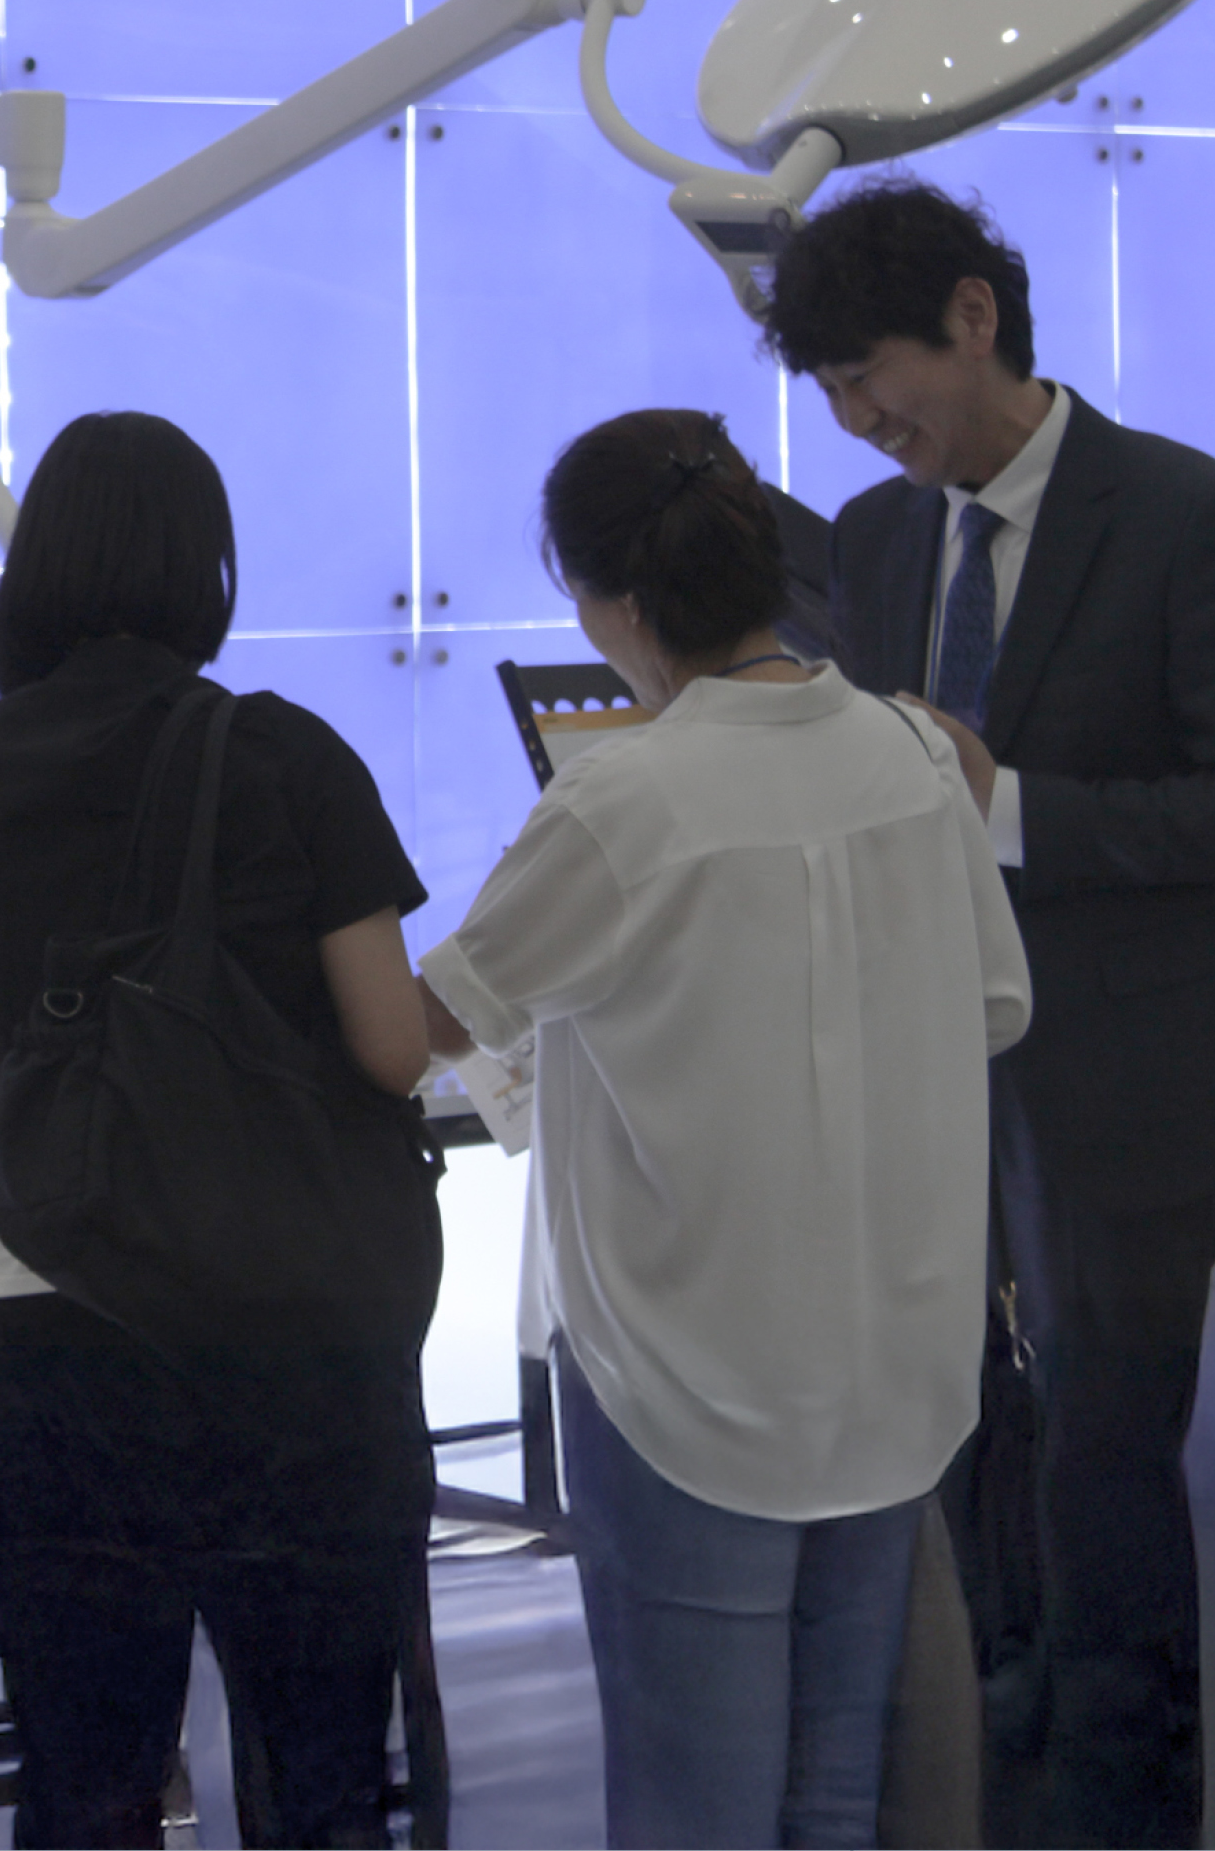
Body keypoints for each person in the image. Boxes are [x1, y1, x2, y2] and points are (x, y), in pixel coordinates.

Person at [418, 406, 1029, 1851]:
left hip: (684, 1377)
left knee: (694, 1807)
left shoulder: (619, 796)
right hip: (893, 1367)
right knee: (835, 1799)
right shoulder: (911, 753)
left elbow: (439, 1017)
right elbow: (993, 1002)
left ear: (618, 605)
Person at [0, 410, 435, 1851]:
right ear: (205, 571)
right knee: (320, 1782)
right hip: (295, 1332)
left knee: (87, 1783)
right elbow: (387, 1042)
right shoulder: (286, 755)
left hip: (52, 1322)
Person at [764, 179, 1215, 1850]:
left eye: (867, 374)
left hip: (1126, 1072)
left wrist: (1002, 804)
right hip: (920, 1063)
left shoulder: (1177, 512)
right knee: (948, 1413)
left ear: (973, 317)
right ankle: (997, 1698)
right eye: (828, 391)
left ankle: (1130, 1763)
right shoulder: (875, 538)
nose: (856, 417)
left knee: (1105, 1440)